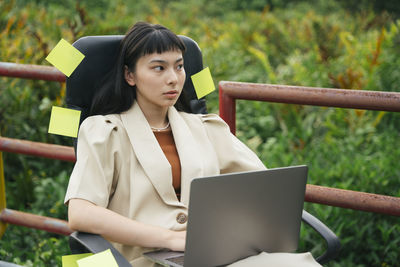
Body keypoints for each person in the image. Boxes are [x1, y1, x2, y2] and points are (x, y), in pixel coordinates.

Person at [65, 22, 321, 267]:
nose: (173, 79)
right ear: (130, 75)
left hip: (214, 253)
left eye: (179, 67)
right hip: (142, 259)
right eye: (158, 68)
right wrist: (170, 238)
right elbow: (81, 212)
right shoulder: (105, 131)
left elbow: (264, 186)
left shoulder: (206, 128)